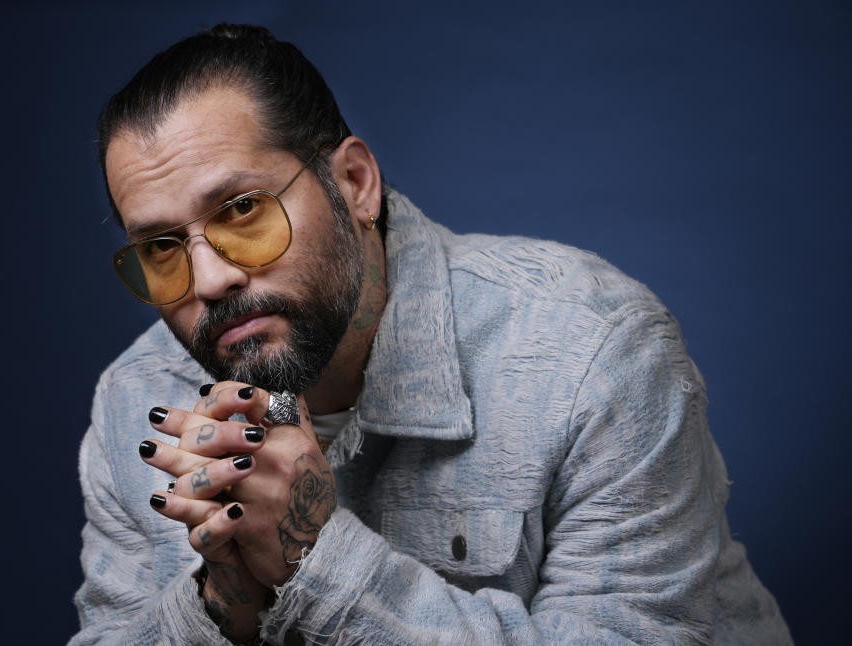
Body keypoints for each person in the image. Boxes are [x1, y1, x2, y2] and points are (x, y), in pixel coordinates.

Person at [70, 23, 792, 646]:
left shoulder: (591, 351)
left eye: (243, 210)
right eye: (162, 247)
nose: (208, 280)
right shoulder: (137, 397)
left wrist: (318, 559)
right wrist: (222, 604)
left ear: (354, 182)